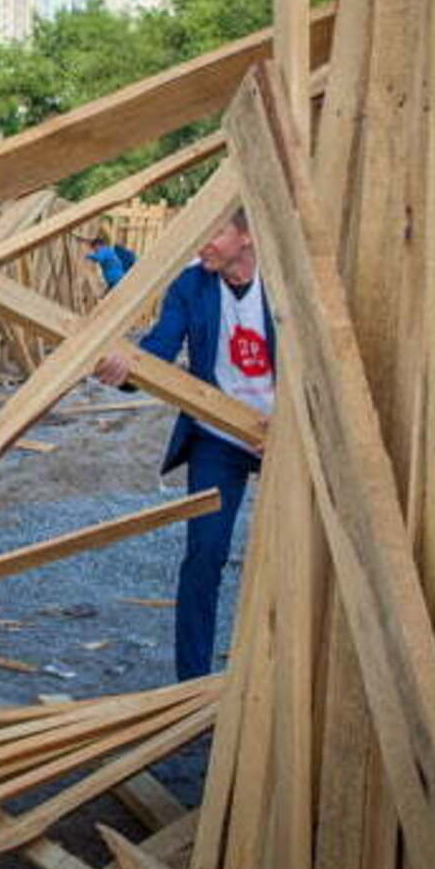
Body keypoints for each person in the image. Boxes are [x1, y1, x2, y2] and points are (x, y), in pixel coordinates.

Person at [93, 208, 274, 680]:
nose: (202, 246)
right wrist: (126, 367)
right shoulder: (191, 285)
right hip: (217, 434)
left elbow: (314, 362)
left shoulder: (283, 281)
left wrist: (295, 429)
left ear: (247, 235)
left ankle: (274, 679)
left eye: (214, 232)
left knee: (288, 555)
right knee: (204, 555)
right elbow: (160, 348)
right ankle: (191, 683)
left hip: (285, 436)